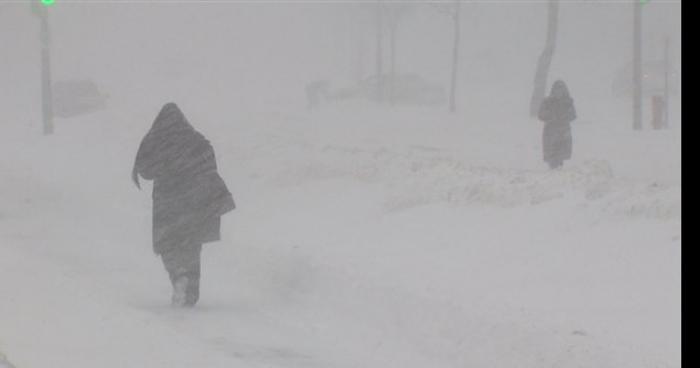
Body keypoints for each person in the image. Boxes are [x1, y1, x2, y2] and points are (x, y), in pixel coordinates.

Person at [132, 103, 235, 307]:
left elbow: (146, 171)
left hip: (168, 203)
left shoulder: (156, 142)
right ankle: (191, 292)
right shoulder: (197, 140)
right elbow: (209, 166)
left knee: (168, 244)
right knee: (192, 246)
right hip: (194, 203)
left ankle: (178, 277)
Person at [538, 80, 577, 170]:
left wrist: (564, 116)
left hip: (563, 131)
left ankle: (559, 168)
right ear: (553, 90)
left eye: (561, 90)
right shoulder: (547, 102)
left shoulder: (568, 102)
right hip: (550, 132)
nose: (559, 92)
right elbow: (540, 115)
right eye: (557, 90)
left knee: (561, 153)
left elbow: (573, 115)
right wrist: (552, 116)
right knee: (552, 154)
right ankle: (553, 169)